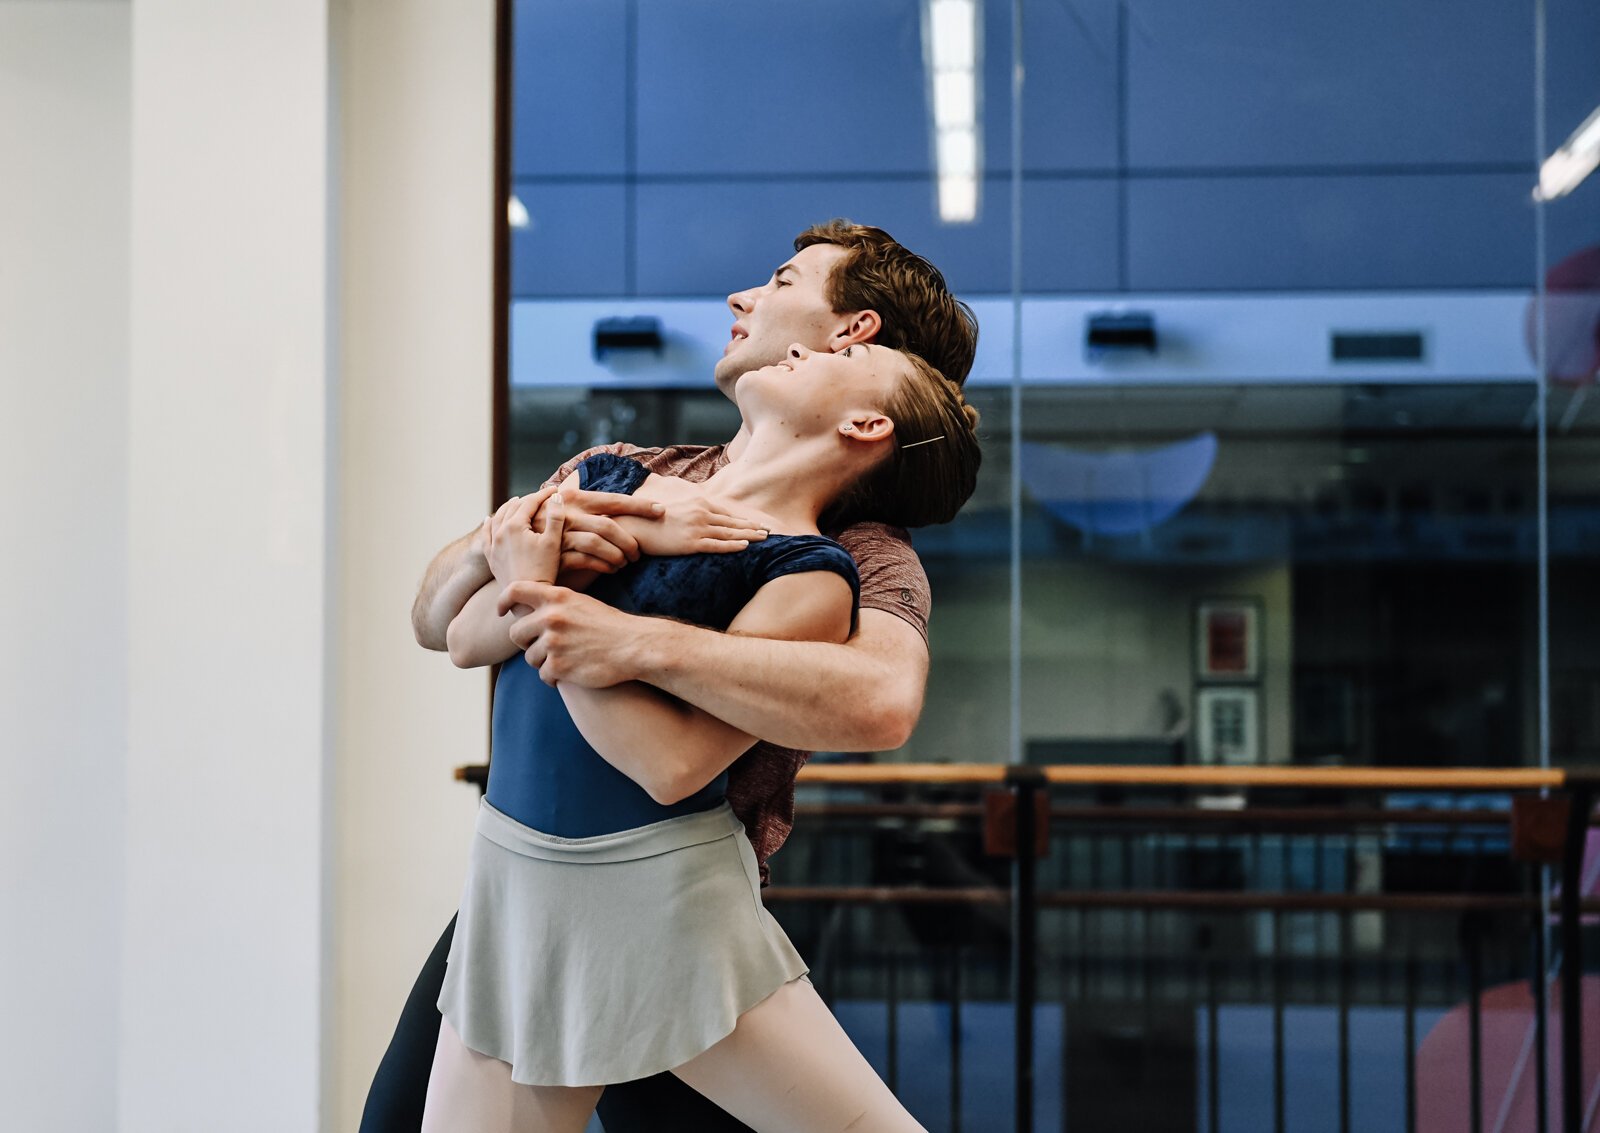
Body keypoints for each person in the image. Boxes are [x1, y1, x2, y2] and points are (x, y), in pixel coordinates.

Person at [361, 220, 978, 1133]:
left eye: (780, 281)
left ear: (854, 339)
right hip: (522, 878)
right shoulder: (620, 473)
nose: (743, 299)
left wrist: (614, 636)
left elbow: (877, 701)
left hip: (664, 891)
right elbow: (444, 624)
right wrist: (559, 529)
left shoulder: (849, 556)